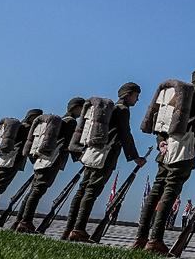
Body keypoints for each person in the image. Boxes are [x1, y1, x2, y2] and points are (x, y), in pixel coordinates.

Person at [133, 65, 195, 255]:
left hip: (165, 148)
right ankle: (155, 240)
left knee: (156, 191)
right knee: (170, 192)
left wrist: (161, 142)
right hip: (184, 148)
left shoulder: (176, 94)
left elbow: (160, 121)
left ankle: (141, 238)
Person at [63, 83, 147, 242]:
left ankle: (70, 228)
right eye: (136, 96)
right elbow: (125, 134)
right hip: (106, 156)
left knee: (83, 190)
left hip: (91, 153)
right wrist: (135, 157)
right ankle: (78, 228)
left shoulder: (109, 110)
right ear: (128, 95)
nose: (137, 100)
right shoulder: (122, 110)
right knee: (91, 192)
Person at [13, 97, 84, 233]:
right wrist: (81, 156)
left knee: (34, 190)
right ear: (76, 108)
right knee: (38, 191)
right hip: (53, 160)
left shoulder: (60, 121)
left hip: (42, 159)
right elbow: (69, 144)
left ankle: (20, 220)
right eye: (81, 108)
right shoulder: (71, 123)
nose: (82, 112)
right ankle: (25, 221)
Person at [0, 108, 42, 226]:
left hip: (2, 161)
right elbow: (25, 149)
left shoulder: (19, 127)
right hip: (11, 162)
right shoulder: (26, 129)